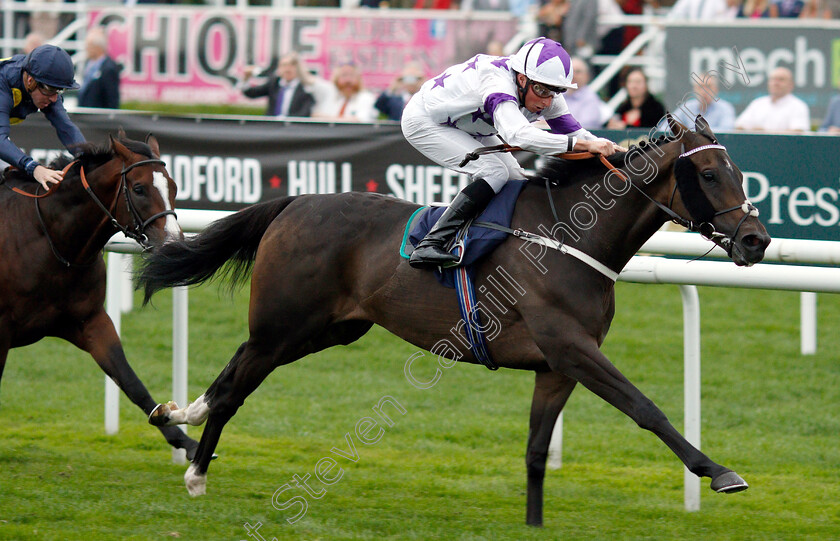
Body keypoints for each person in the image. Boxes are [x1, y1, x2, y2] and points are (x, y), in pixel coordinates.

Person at [401, 37, 624, 269]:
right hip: (425, 120)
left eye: (555, 92)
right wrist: (582, 145)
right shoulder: (496, 81)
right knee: (494, 172)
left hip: (468, 124)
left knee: (515, 180)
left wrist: (617, 151)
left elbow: (578, 133)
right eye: (541, 90)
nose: (547, 101)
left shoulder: (545, 93)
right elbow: (518, 136)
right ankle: (431, 242)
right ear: (521, 78)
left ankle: (493, 247)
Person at [0, 44, 85, 191]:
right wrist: (33, 167)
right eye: (51, 90)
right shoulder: (4, 82)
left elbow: (66, 127)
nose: (54, 98)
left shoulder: (45, 87)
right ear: (30, 81)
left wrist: (89, 158)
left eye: (60, 90)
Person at [735, 67, 810, 133]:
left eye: (781, 80)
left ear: (791, 84)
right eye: (773, 79)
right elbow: (739, 126)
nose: (776, 83)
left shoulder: (798, 106)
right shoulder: (758, 103)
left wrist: (764, 132)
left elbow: (798, 132)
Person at [241, 52, 315, 118]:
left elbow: (305, 112)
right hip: (271, 127)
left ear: (298, 68)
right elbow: (251, 93)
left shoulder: (305, 87)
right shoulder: (274, 83)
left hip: (293, 129)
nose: (287, 69)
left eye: (291, 65)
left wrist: (285, 121)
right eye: (284, 65)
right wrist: (246, 78)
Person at [670, 73, 735, 132]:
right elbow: (666, 127)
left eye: (708, 86)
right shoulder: (687, 107)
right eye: (700, 87)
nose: (704, 91)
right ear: (694, 90)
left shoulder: (725, 108)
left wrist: (690, 133)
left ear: (716, 90)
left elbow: (727, 131)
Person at [77, 27, 121, 109]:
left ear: (98, 47)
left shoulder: (109, 68)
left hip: (98, 118)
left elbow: (112, 99)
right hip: (83, 115)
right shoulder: (88, 63)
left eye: (89, 46)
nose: (86, 49)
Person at [564, 57, 607, 129]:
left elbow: (586, 126)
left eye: (578, 72)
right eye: (570, 72)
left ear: (587, 76)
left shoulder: (591, 98)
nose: (573, 75)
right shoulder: (557, 94)